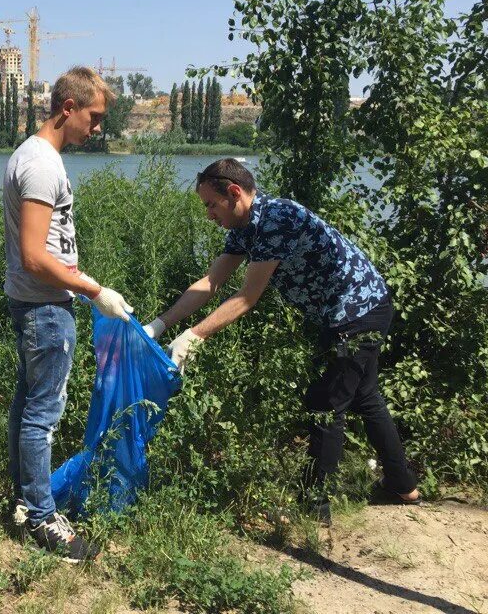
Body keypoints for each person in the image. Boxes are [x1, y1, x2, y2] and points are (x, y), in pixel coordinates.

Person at [143, 158, 420, 523]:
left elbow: (246, 298)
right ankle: (403, 486)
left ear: (235, 193)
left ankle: (314, 508)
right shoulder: (246, 227)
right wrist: (160, 325)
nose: (209, 214)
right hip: (349, 313)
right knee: (365, 396)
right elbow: (211, 283)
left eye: (211, 204)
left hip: (359, 310)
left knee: (327, 402)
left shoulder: (277, 220)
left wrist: (193, 336)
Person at [4, 66, 134, 562]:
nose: (97, 127)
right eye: (94, 116)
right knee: (42, 414)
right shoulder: (41, 164)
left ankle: (25, 499)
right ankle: (41, 517)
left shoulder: (36, 157)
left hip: (39, 303)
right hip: (44, 309)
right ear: (67, 109)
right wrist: (94, 290)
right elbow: (36, 256)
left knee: (27, 405)